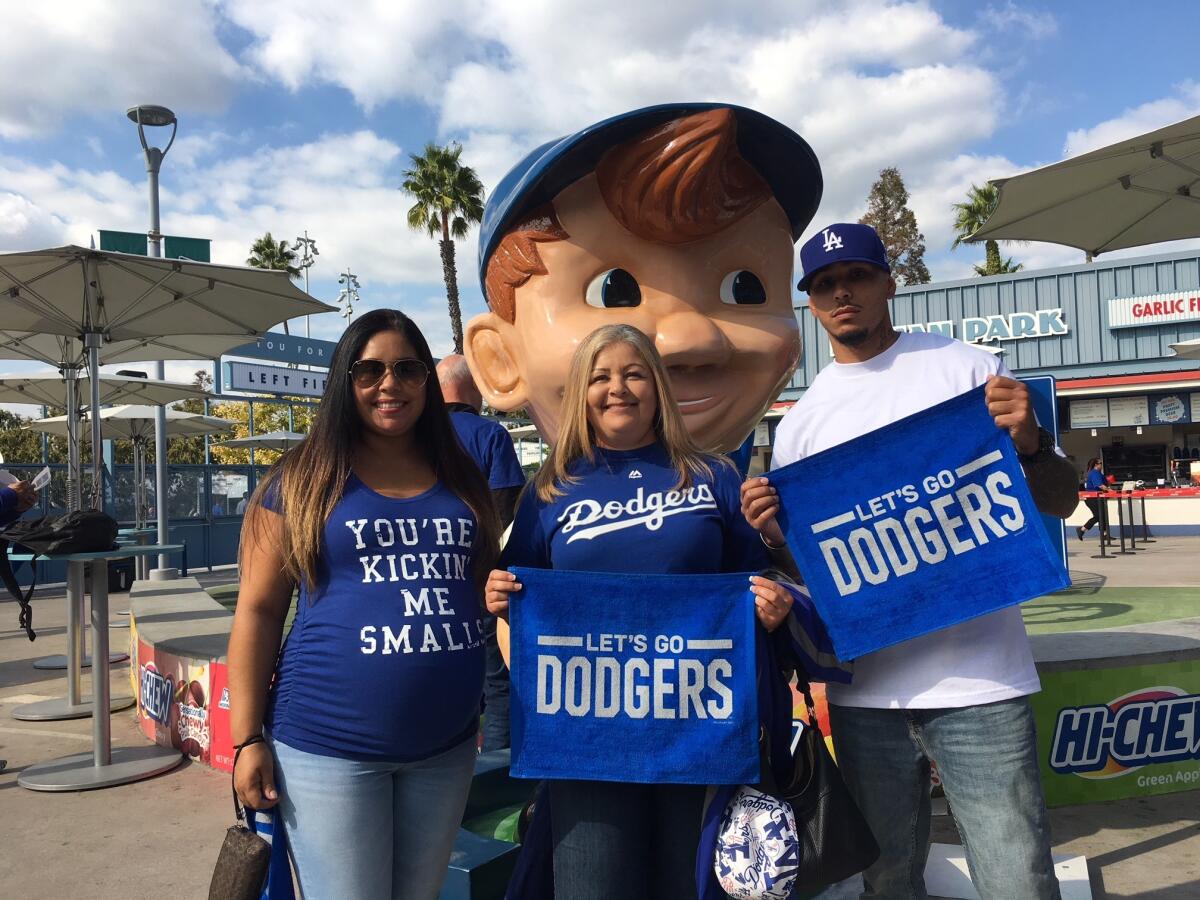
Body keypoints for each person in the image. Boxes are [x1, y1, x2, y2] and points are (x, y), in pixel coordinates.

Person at [741, 223, 1078, 900]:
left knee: (1019, 878)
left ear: (888, 283)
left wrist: (1033, 444)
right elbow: (818, 574)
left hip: (981, 684)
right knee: (887, 880)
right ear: (810, 301)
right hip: (867, 693)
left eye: (857, 276)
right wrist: (776, 539)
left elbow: (1062, 501)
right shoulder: (802, 424)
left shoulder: (968, 370)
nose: (842, 292)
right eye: (825, 283)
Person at [485, 324, 795, 899]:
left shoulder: (713, 476)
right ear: (583, 392)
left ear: (656, 385)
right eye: (600, 377)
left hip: (699, 730)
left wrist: (773, 601)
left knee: (689, 886)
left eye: (633, 373)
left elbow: (764, 576)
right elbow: (518, 589)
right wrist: (498, 596)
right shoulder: (551, 488)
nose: (617, 388)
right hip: (587, 739)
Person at [228, 309, 501, 899]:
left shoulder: (461, 478)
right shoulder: (301, 479)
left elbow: (482, 588)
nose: (390, 384)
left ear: (428, 380)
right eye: (369, 369)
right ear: (343, 382)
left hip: (446, 746)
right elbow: (257, 611)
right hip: (328, 747)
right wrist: (246, 737)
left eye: (407, 369)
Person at [465, 103, 822, 457]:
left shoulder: (768, 504)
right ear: (498, 360)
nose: (692, 339)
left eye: (745, 290)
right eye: (615, 292)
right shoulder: (542, 515)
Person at [437, 352, 526, 752]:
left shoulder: (409, 439)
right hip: (481, 580)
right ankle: (495, 777)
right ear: (474, 389)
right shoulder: (490, 436)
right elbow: (508, 511)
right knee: (496, 681)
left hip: (425, 581)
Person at [1077, 457, 1111, 541]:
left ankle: (1105, 534)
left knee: (1103, 516)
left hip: (1098, 498)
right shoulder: (1094, 473)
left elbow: (1104, 483)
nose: (1101, 465)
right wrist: (1110, 490)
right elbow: (1099, 485)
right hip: (1092, 498)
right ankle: (1082, 529)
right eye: (1100, 463)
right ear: (1096, 465)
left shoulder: (1099, 473)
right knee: (1099, 516)